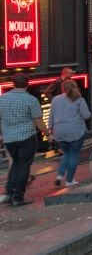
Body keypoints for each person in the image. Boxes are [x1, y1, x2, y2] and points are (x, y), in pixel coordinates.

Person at [0, 73, 49, 206]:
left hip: (9, 139)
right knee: (23, 167)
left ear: (13, 84)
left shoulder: (2, 99)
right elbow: (39, 121)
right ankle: (18, 196)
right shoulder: (31, 100)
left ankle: (9, 193)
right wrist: (48, 135)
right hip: (26, 137)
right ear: (27, 84)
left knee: (15, 164)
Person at [49, 80, 91, 187]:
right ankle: (69, 180)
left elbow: (51, 116)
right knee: (73, 154)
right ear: (75, 87)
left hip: (59, 132)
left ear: (62, 88)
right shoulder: (79, 99)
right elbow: (86, 115)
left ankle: (59, 176)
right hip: (75, 131)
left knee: (66, 153)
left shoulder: (55, 99)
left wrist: (50, 129)